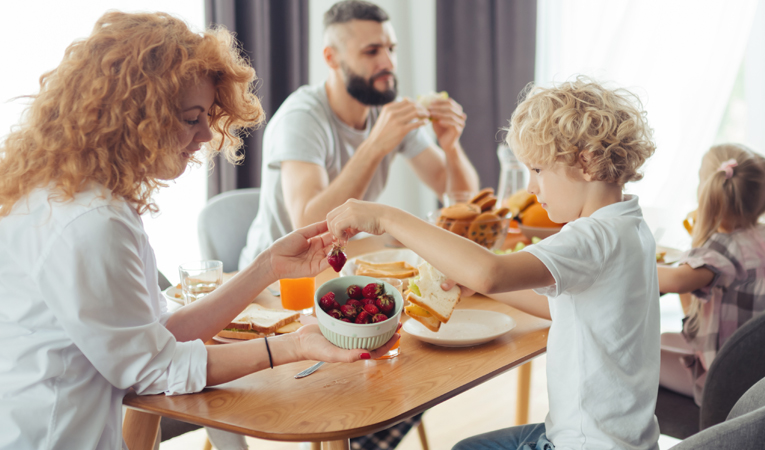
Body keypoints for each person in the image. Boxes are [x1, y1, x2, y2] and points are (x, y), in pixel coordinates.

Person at [0, 12, 396, 450]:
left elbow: (155, 336)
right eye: (192, 118)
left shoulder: (70, 194)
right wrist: (292, 347)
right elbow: (153, 369)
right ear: (134, 117)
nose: (207, 134)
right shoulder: (89, 223)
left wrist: (268, 266)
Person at [327, 77, 661, 450]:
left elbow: (491, 272)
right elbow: (561, 306)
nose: (532, 188)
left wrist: (388, 218)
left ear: (586, 162)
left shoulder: (592, 238)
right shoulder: (629, 227)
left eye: (538, 170)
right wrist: (475, 285)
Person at [239, 0, 479, 269]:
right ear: (331, 58)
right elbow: (308, 225)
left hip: (342, 261)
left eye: (391, 49)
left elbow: (465, 203)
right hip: (280, 277)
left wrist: (451, 147)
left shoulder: (387, 110)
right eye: (371, 51)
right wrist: (375, 145)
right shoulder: (301, 119)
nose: (388, 62)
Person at [657, 143, 765, 405]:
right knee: (662, 339)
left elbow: (672, 281)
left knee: (641, 356)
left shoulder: (721, 250)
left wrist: (632, 257)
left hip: (731, 383)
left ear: (710, 192)